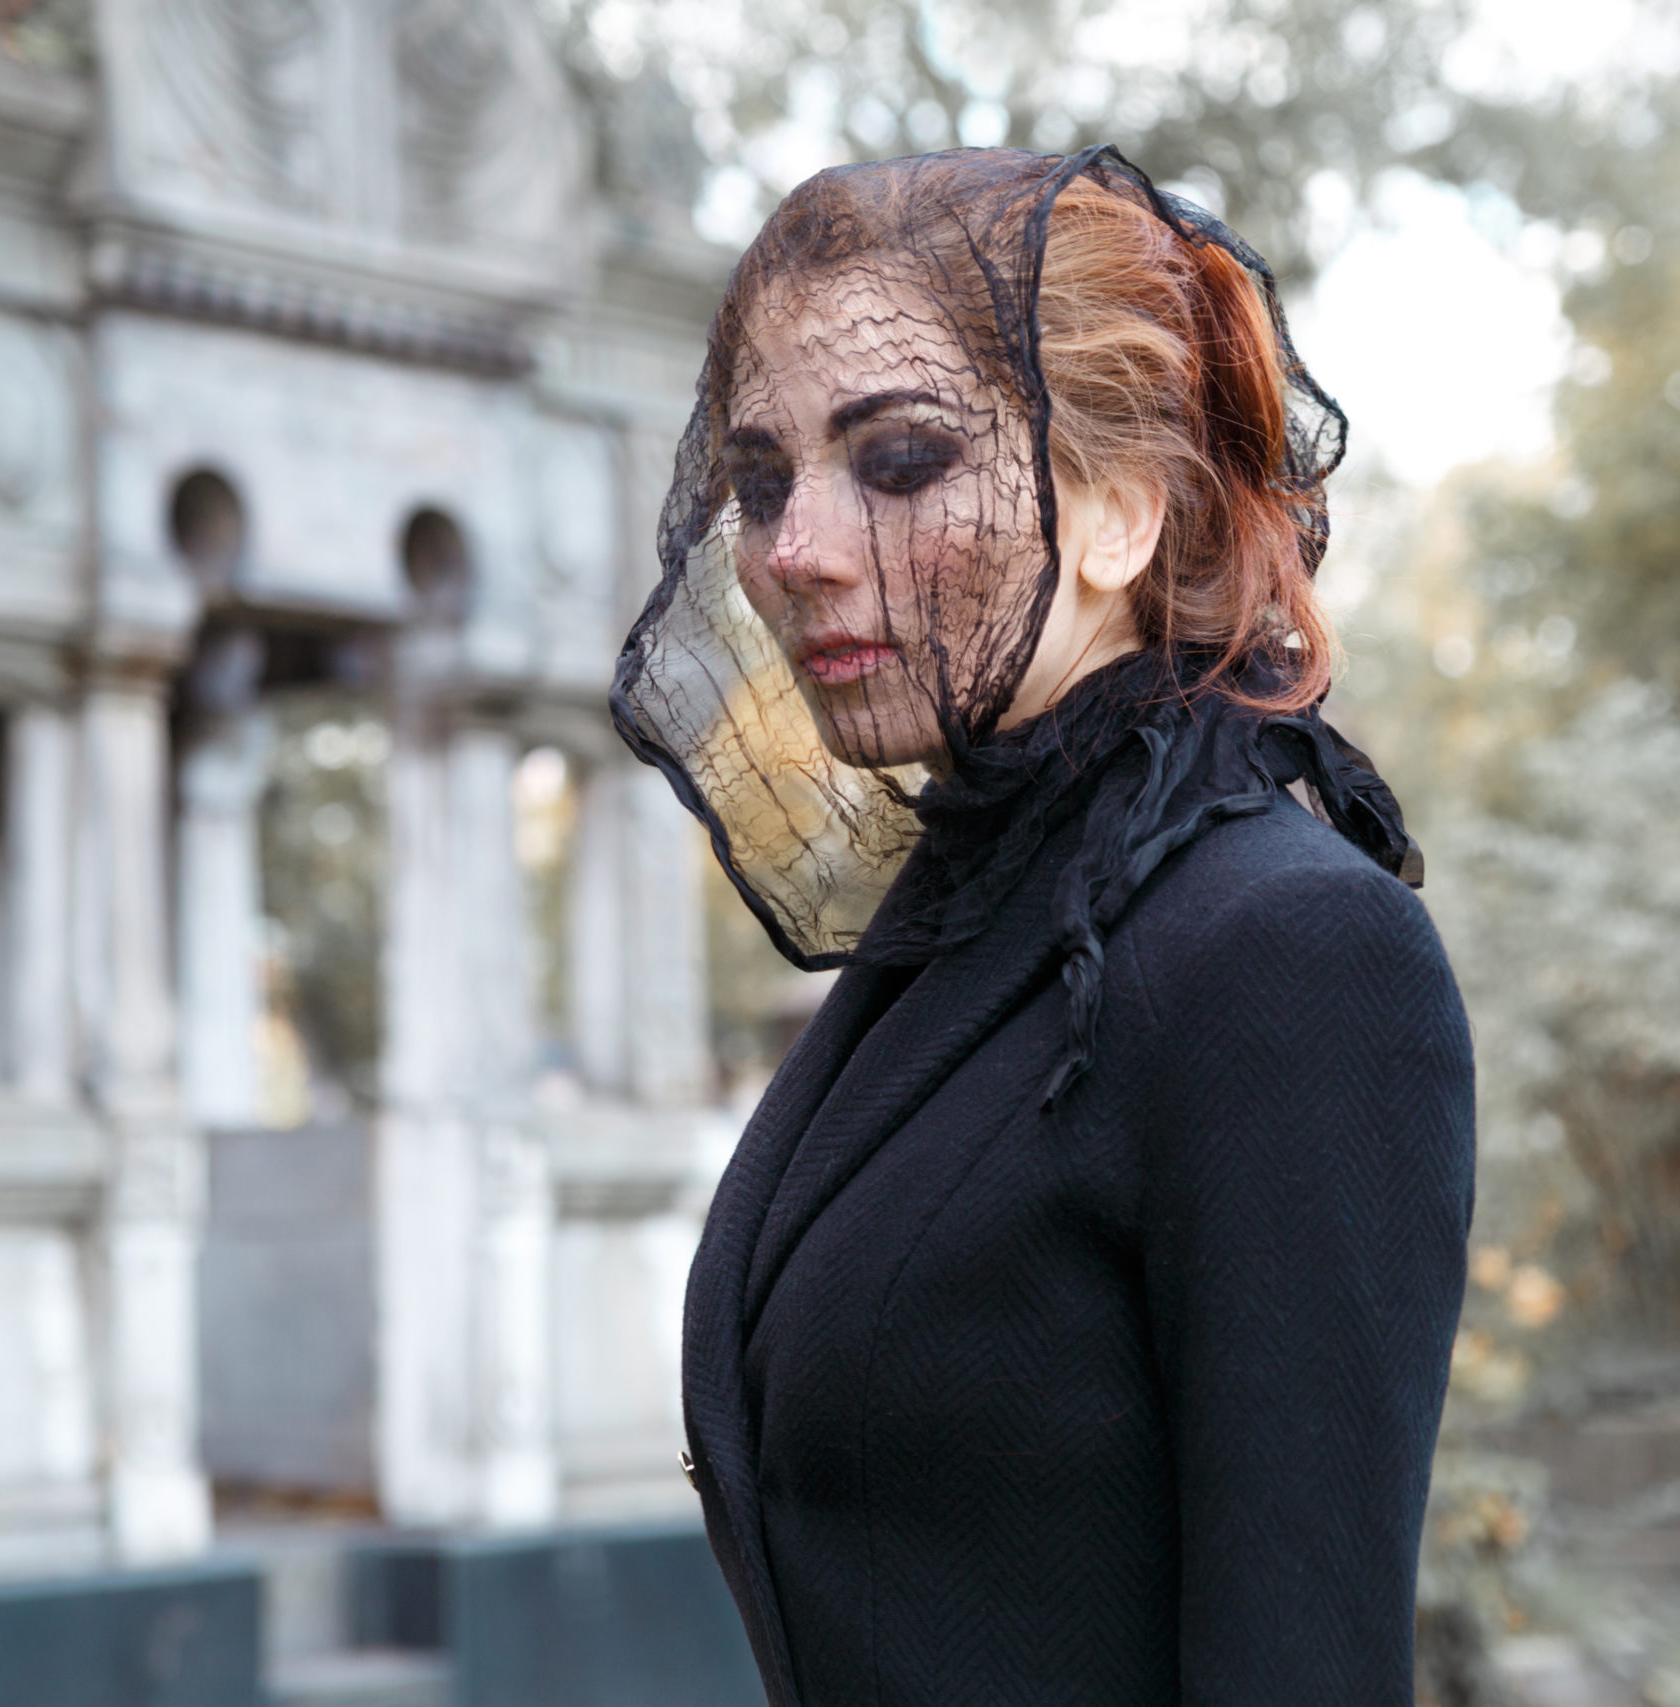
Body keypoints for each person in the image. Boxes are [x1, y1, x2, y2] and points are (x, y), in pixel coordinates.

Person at [611, 145, 1474, 1705]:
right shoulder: (975, 912)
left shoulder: (1282, 955)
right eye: (762, 481)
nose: (795, 550)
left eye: (899, 460)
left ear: (1122, 512)